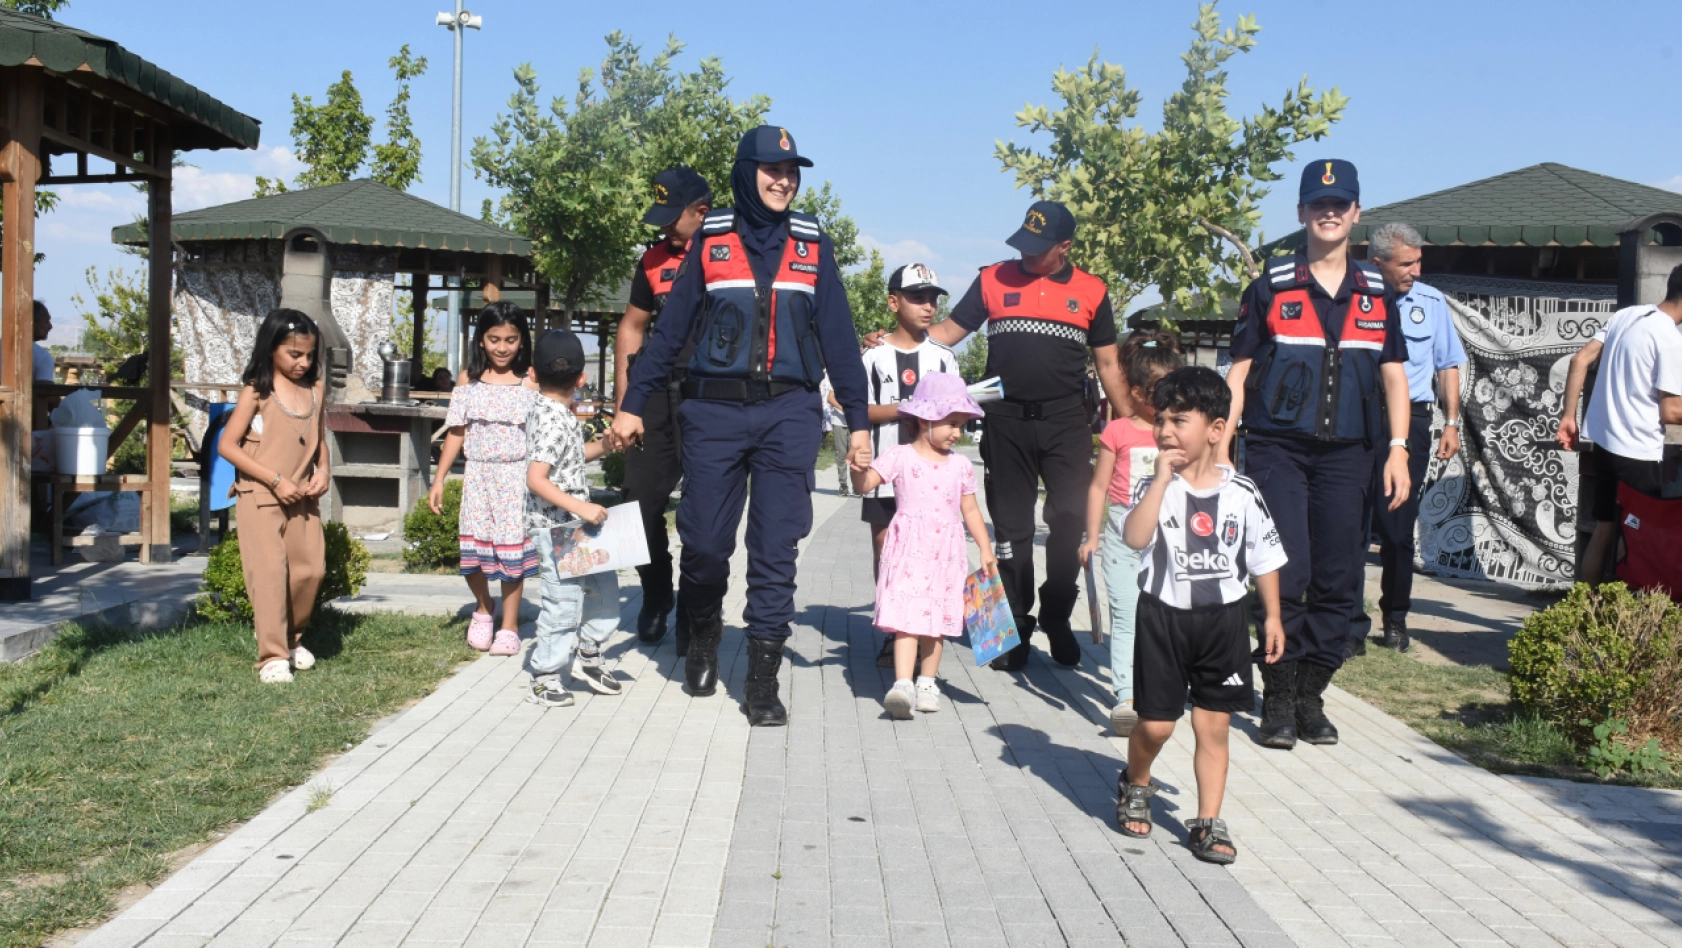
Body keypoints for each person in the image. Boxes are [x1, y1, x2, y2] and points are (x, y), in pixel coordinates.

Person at [612, 126, 871, 727]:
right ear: (745, 173)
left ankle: (761, 679)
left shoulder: (812, 243)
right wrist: (632, 403)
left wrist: (858, 423)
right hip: (714, 412)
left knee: (775, 547)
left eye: (792, 171)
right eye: (772, 169)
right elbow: (668, 332)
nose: (784, 181)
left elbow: (839, 338)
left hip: (789, 412)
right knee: (704, 542)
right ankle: (703, 630)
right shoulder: (712, 238)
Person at [1223, 159, 1412, 750]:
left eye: (1340, 204)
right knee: (1286, 573)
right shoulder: (1271, 286)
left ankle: (1312, 697)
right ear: (1302, 211)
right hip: (1278, 450)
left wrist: (1398, 450)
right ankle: (1278, 698)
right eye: (1319, 204)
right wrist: (1221, 447)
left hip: (1351, 455)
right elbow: (1239, 373)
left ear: (1356, 213)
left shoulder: (1378, 292)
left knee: (1338, 580)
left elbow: (1395, 378)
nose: (1329, 213)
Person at [920, 201, 1129, 671]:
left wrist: (1130, 423)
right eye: (1023, 245)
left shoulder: (1092, 290)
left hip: (1066, 423)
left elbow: (1108, 363)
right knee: (1011, 528)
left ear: (1065, 246)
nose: (1027, 255)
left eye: (1039, 248)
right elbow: (947, 333)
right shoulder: (992, 278)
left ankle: (1056, 614)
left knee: (1071, 519)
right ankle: (1011, 625)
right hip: (1005, 421)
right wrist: (899, 340)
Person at [1114, 366, 1286, 865]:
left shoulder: (1243, 492)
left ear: (1215, 429)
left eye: (1179, 420)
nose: (1165, 430)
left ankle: (1208, 822)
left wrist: (1272, 617)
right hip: (1163, 620)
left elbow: (1264, 558)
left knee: (1213, 726)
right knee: (1157, 726)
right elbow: (1135, 538)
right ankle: (1136, 781)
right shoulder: (1153, 485)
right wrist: (1161, 481)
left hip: (1223, 623)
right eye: (1160, 420)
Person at [1346, 222, 1466, 657]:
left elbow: (1447, 364)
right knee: (1351, 524)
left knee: (1397, 528)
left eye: (1418, 262)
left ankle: (1395, 617)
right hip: (1357, 418)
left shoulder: (1431, 302)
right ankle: (1349, 623)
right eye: (1407, 264)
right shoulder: (1351, 297)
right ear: (1377, 263)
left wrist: (1451, 422)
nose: (1416, 271)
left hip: (1410, 420)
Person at [851, 372, 996, 719]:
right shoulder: (899, 456)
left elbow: (970, 509)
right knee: (907, 617)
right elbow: (865, 484)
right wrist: (857, 467)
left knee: (937, 619)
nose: (957, 432)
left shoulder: (961, 465)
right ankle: (903, 684)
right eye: (951, 423)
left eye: (962, 424)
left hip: (945, 553)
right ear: (924, 419)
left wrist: (985, 547)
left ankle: (927, 683)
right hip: (909, 549)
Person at [615, 166, 712, 650]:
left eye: (674, 217)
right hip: (653, 392)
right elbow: (632, 327)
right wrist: (623, 405)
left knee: (703, 510)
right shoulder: (652, 259)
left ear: (702, 212)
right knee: (637, 501)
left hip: (709, 394)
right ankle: (656, 592)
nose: (665, 227)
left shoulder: (727, 254)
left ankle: (696, 608)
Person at [1078, 331, 1183, 737]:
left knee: (1166, 616)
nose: (1172, 398)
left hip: (1169, 538)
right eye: (1162, 390)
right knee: (1125, 615)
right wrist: (1091, 538)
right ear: (1138, 392)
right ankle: (1126, 695)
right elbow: (1098, 488)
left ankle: (1163, 685)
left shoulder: (1178, 434)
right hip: (1122, 536)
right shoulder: (1117, 431)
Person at [218, 309, 331, 683]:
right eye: (294, 354)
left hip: (302, 495)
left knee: (310, 569)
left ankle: (291, 639)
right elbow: (227, 446)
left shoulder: (315, 391)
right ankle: (272, 656)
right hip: (260, 493)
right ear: (271, 349)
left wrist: (323, 470)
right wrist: (275, 480)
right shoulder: (257, 391)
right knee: (268, 573)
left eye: (309, 355)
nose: (303, 363)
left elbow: (319, 438)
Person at [1556, 265, 1682, 584]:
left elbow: (1580, 359)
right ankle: (1630, 610)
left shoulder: (1627, 315)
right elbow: (1671, 411)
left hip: (1605, 444)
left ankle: (1584, 606)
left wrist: (1569, 416)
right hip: (1638, 451)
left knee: (1606, 528)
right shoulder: (1669, 338)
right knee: (1641, 538)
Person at [428, 302, 539, 656]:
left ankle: (510, 625)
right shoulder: (467, 380)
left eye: (510, 340)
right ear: (481, 340)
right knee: (472, 553)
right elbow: (456, 432)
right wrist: (439, 478)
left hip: (515, 479)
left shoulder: (530, 381)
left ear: (522, 341)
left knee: (511, 552)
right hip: (477, 477)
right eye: (494, 339)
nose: (502, 347)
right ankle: (484, 606)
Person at [862, 263, 959, 666]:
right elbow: (857, 408)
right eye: (918, 298)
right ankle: (894, 629)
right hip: (886, 475)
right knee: (888, 549)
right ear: (893, 302)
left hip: (932, 479)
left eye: (933, 299)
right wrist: (903, 409)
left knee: (929, 553)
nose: (928, 306)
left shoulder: (943, 358)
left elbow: (955, 411)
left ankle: (925, 631)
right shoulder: (873, 356)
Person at [524, 330, 624, 707]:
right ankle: (545, 675)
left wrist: (605, 445)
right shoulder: (552, 418)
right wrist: (581, 507)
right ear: (582, 378)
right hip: (557, 530)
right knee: (562, 603)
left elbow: (569, 458)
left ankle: (588, 655)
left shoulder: (554, 413)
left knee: (604, 592)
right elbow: (536, 479)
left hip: (576, 529)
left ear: (534, 373)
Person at [819, 371, 855, 498]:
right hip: (839, 422)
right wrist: (843, 409)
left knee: (854, 455)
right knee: (841, 454)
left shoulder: (857, 379)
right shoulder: (838, 379)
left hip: (853, 422)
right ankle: (843, 486)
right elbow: (830, 398)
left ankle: (856, 486)